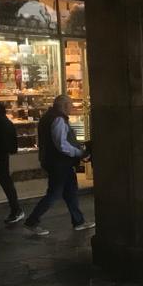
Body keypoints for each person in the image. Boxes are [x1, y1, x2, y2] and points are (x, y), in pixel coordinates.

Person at [24, 94, 92, 236]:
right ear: (64, 106)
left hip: (56, 162)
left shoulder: (48, 117)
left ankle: (78, 221)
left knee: (70, 191)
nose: (72, 107)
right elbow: (62, 145)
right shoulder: (58, 120)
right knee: (54, 193)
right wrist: (79, 153)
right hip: (59, 163)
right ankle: (32, 221)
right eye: (71, 105)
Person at [0, 92, 23, 224]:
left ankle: (16, 210)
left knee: (6, 183)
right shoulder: (0, 116)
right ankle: (16, 210)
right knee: (6, 183)